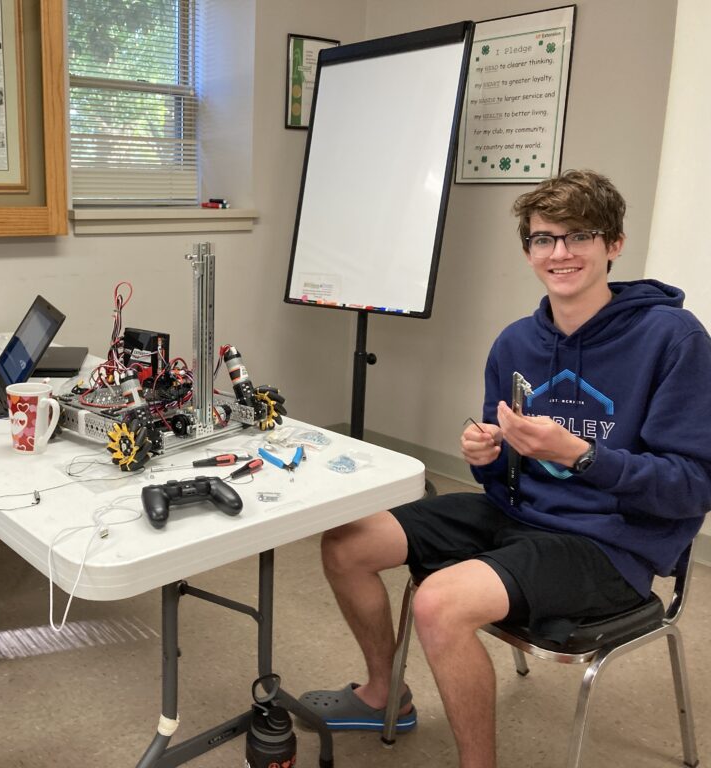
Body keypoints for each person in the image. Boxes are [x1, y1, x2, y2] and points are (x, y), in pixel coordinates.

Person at [299, 169, 711, 768]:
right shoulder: (517, 342)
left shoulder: (673, 338)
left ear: (614, 244)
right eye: (544, 239)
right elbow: (506, 477)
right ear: (528, 251)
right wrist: (489, 458)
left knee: (438, 603)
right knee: (346, 541)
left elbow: (693, 486)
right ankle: (387, 692)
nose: (560, 253)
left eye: (580, 236)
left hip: (612, 545)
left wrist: (580, 454)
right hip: (516, 514)